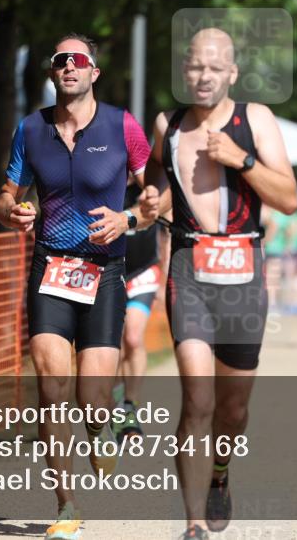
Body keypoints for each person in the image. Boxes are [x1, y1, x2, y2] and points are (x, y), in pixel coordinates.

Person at [0, 33, 157, 540]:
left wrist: (129, 218)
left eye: (78, 60)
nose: (69, 66)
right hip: (50, 270)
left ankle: (101, 427)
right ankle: (65, 504)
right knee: (51, 389)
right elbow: (4, 196)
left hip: (105, 270)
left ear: (94, 73)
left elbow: (158, 197)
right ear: (52, 73)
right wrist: (11, 212)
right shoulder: (30, 129)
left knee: (91, 395)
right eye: (61, 60)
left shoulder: (122, 125)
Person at [142, 27, 297, 540]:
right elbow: (161, 191)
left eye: (214, 68)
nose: (203, 76)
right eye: (195, 67)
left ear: (231, 72)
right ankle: (192, 524)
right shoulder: (168, 124)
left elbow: (289, 198)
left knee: (232, 411)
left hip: (244, 275)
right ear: (183, 71)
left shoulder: (256, 120)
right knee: (198, 402)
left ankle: (221, 473)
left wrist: (242, 160)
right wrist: (148, 205)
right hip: (188, 271)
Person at [110, 181, 163, 441]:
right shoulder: (104, 178)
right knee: (114, 345)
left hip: (144, 271)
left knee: (132, 336)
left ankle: (130, 406)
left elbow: (168, 226)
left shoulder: (150, 187)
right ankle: (114, 400)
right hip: (111, 272)